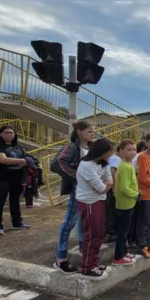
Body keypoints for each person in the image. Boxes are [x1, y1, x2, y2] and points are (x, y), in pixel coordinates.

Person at [52, 120, 95, 273]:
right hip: (78, 191)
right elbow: (57, 163)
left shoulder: (91, 148)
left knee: (86, 222)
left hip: (91, 192)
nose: (93, 133)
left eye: (93, 131)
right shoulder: (72, 147)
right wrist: (77, 176)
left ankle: (85, 249)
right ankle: (61, 257)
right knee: (70, 222)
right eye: (89, 131)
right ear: (79, 132)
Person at [75, 137, 115, 279]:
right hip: (89, 202)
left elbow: (109, 181)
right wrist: (106, 186)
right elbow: (101, 188)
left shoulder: (103, 163)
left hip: (99, 200)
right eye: (109, 152)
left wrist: (106, 185)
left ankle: (94, 262)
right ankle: (86, 267)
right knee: (91, 234)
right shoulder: (86, 165)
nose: (111, 154)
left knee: (99, 233)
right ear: (101, 151)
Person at [0, 125, 30, 236]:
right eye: (6, 132)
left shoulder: (19, 147)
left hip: (17, 177)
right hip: (2, 177)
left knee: (15, 201)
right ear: (1, 134)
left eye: (11, 133)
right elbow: (3, 160)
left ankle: (17, 223)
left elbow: (27, 158)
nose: (9, 135)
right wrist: (22, 160)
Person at [112, 140, 140, 266]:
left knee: (126, 230)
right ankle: (118, 256)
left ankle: (124, 252)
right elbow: (124, 187)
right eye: (129, 149)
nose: (132, 152)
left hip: (129, 202)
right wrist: (136, 194)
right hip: (125, 202)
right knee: (122, 232)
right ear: (121, 151)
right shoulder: (123, 166)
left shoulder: (129, 164)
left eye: (134, 149)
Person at [105, 148, 121, 242]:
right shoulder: (116, 158)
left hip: (108, 188)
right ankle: (110, 233)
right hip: (111, 189)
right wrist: (114, 187)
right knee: (111, 211)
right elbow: (113, 172)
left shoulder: (113, 158)